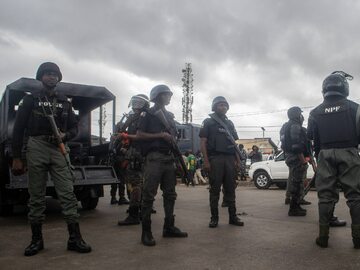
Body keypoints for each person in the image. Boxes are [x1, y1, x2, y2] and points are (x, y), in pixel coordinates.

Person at [11, 62, 91, 256]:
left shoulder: (65, 102)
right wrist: (16, 157)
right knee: (36, 196)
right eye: (47, 74)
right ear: (41, 77)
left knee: (67, 194)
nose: (52, 77)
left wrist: (66, 136)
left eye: (55, 74)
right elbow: (18, 129)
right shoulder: (30, 100)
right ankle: (36, 240)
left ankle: (75, 239)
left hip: (58, 148)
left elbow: (74, 128)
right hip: (36, 146)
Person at [307, 71, 360, 248]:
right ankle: (358, 239)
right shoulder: (355, 108)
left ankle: (323, 237)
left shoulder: (315, 112)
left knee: (325, 197)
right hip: (349, 153)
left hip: (325, 154)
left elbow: (312, 138)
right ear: (344, 88)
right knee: (355, 196)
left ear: (324, 89)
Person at [137, 84, 188, 246]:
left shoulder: (170, 116)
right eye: (166, 95)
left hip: (169, 158)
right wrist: (161, 135)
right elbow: (139, 135)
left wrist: (177, 159)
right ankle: (146, 232)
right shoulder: (148, 114)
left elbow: (173, 138)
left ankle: (169, 227)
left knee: (170, 194)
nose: (169, 97)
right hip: (154, 158)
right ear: (158, 96)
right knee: (148, 195)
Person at [199, 96, 244, 228]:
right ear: (214, 106)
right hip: (215, 158)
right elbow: (203, 142)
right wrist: (206, 161)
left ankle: (233, 217)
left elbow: (233, 143)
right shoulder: (208, 122)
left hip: (229, 159)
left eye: (225, 105)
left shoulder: (229, 123)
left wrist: (237, 160)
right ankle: (214, 218)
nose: (223, 107)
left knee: (230, 189)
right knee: (214, 190)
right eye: (220, 105)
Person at [117, 94, 150, 226]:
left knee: (135, 184)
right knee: (137, 184)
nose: (136, 105)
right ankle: (141, 211)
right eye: (134, 102)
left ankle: (134, 214)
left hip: (137, 154)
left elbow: (140, 136)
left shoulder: (144, 117)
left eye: (139, 103)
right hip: (133, 153)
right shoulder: (134, 117)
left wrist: (125, 135)